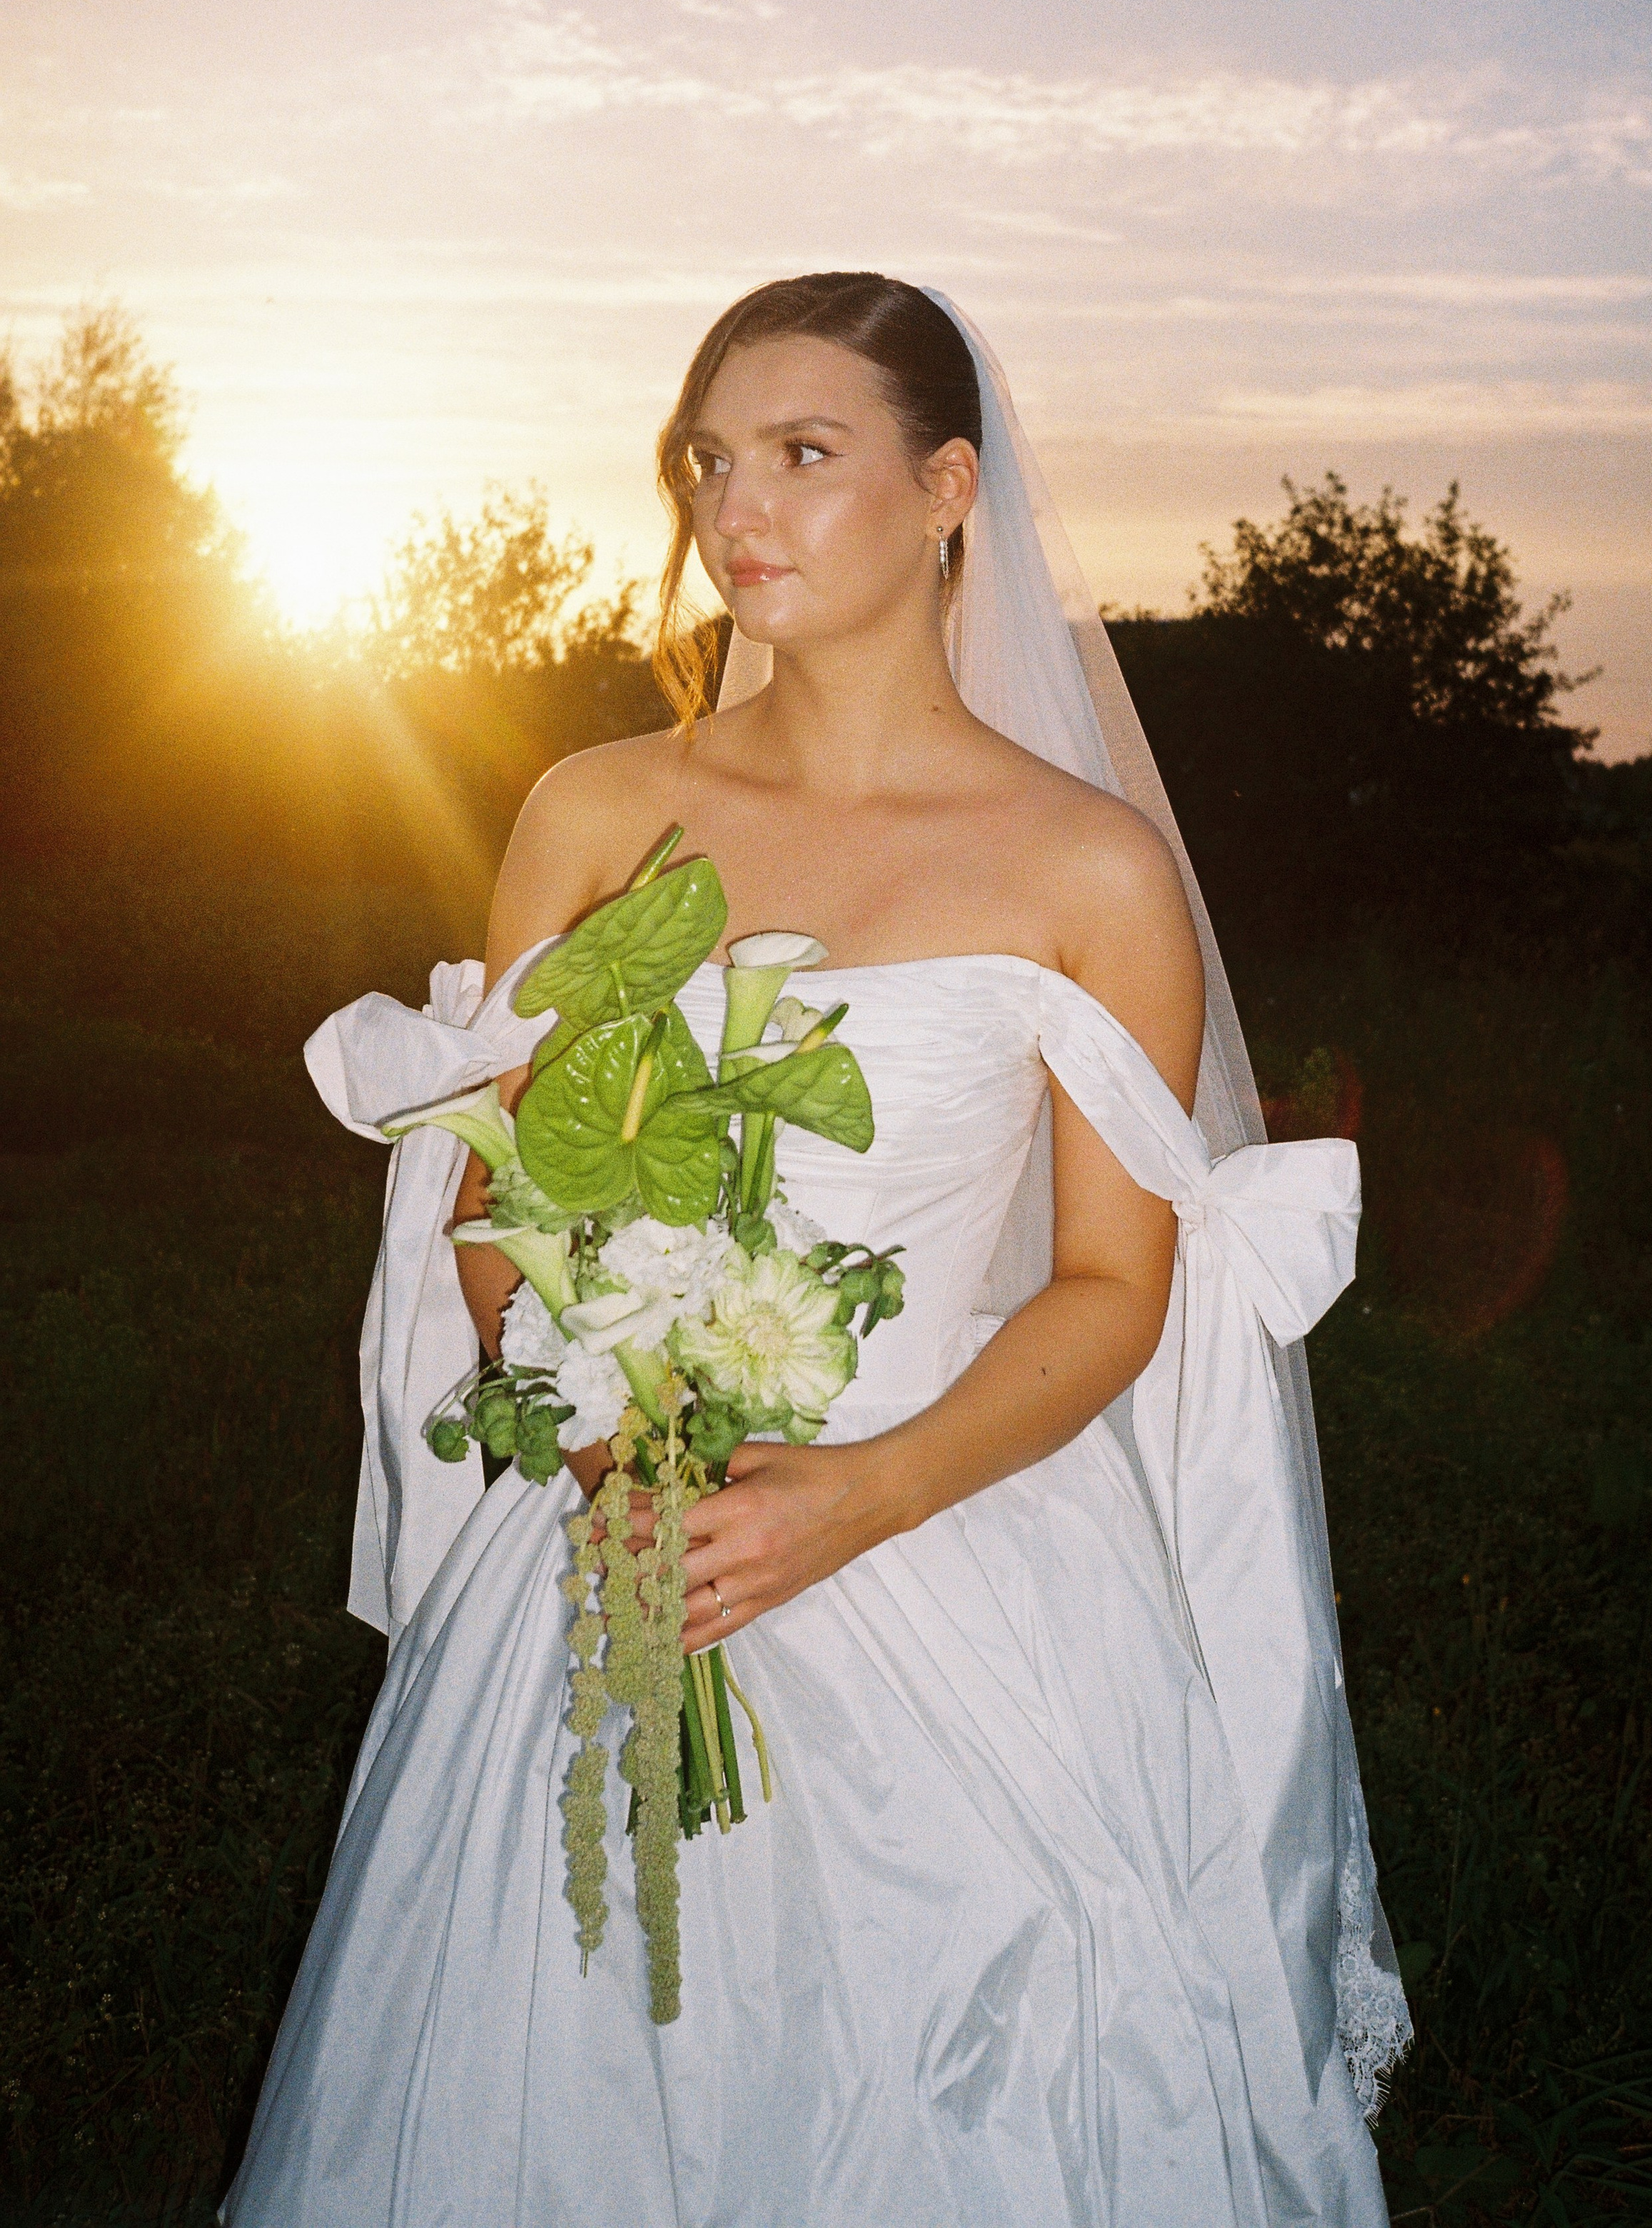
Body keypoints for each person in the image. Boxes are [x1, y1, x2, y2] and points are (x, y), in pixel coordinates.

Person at [225, 275, 1409, 2227]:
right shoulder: (596, 809)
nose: (735, 508)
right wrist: (604, 1439)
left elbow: (1120, 1287)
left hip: (955, 1520)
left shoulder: (1086, 866)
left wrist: (853, 1497)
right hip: (610, 1540)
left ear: (951, 489)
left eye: (802, 453)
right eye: (709, 460)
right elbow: (491, 1185)